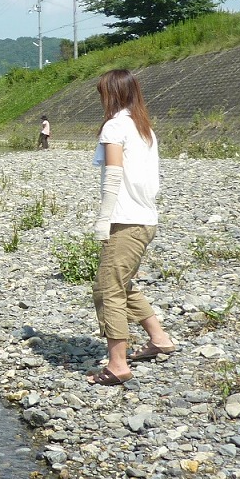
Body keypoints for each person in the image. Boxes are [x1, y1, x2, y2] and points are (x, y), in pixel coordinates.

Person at [87, 69, 176, 386]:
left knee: (107, 290)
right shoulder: (143, 128)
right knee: (121, 284)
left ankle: (118, 364)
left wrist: (103, 218)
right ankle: (160, 339)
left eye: (102, 93)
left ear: (111, 94)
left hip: (124, 221)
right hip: (145, 219)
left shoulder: (115, 126)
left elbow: (113, 177)